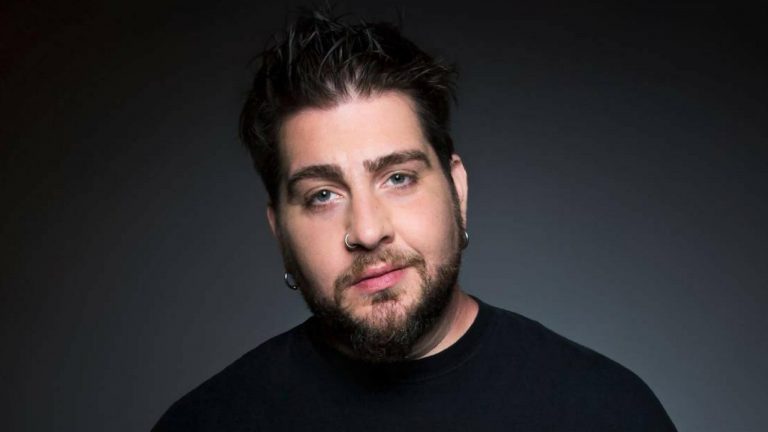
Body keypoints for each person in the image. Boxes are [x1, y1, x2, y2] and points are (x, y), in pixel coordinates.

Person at [153, 8, 676, 431]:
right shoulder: (206, 423)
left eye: (398, 178)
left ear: (457, 190)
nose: (367, 230)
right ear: (280, 232)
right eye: (323, 195)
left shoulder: (605, 410)